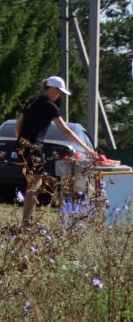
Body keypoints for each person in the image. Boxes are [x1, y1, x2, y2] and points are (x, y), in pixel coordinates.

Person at [17, 75, 100, 225]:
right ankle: (27, 223)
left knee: (33, 182)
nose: (60, 94)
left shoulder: (32, 102)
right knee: (35, 183)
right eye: (59, 91)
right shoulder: (50, 106)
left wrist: (21, 143)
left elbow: (18, 125)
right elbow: (66, 131)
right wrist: (88, 149)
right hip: (34, 148)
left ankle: (27, 221)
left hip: (22, 146)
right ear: (52, 89)